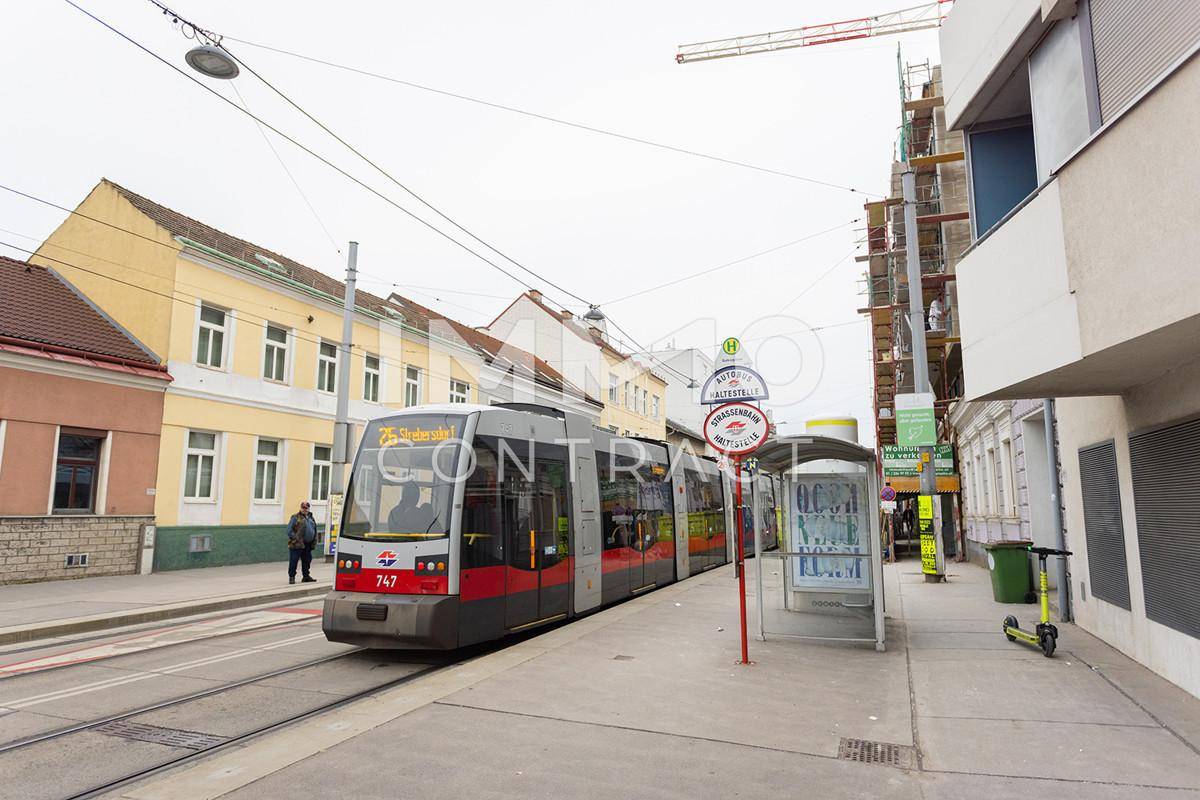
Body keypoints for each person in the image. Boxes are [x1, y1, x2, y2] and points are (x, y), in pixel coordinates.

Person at [287, 500, 318, 584]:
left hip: (307, 544)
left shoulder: (311, 518)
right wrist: (296, 538)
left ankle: (306, 576)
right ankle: (292, 577)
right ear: (300, 508)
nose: (305, 509)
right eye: (303, 508)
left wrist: (314, 540)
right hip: (297, 544)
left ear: (308, 508)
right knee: (294, 561)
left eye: (306, 508)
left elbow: (314, 529)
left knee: (307, 560)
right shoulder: (295, 517)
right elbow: (289, 531)